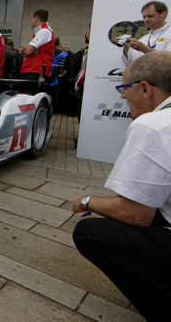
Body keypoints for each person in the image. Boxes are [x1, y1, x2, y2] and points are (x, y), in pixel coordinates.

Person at [72, 51, 171, 322]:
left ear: (145, 89)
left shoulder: (152, 124)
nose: (122, 96)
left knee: (89, 233)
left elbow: (135, 214)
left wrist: (86, 201)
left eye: (124, 88)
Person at [122, 1, 171, 67]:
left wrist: (144, 49)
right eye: (144, 17)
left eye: (150, 16)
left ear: (164, 14)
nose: (146, 20)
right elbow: (130, 65)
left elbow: (168, 62)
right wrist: (127, 47)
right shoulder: (144, 39)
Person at [19, 9, 54, 91]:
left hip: (35, 71)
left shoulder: (44, 31)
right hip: (32, 70)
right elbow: (27, 50)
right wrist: (26, 49)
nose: (31, 22)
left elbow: (28, 51)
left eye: (31, 19)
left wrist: (25, 49)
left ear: (36, 18)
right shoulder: (40, 31)